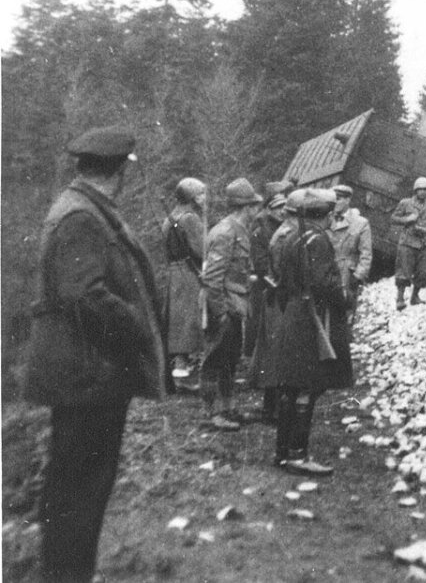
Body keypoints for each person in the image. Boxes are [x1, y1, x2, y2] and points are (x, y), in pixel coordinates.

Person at [23, 126, 165, 583]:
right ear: (119, 171)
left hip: (87, 373)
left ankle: (67, 572)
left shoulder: (83, 209)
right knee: (80, 488)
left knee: (77, 485)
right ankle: (67, 574)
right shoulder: (82, 217)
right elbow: (84, 295)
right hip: (88, 375)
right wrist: (137, 325)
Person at [268, 188, 352, 476]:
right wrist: (346, 299)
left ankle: (282, 453)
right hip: (312, 317)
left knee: (290, 387)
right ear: (326, 215)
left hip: (294, 313)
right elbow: (324, 283)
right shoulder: (319, 240)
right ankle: (298, 455)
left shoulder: (293, 237)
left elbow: (282, 280)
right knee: (307, 385)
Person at [198, 178, 261, 431]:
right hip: (222, 305)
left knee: (230, 360)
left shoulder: (239, 229)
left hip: (235, 304)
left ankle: (228, 408)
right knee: (214, 359)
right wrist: (220, 312)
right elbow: (212, 278)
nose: (257, 210)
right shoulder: (226, 232)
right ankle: (210, 413)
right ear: (246, 207)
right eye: (254, 206)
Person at [246, 191, 288, 422]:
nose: (282, 210)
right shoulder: (262, 229)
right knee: (268, 343)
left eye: (284, 206)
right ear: (269, 208)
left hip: (276, 289)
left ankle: (272, 401)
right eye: (277, 206)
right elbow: (261, 263)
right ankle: (269, 402)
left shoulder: (281, 227)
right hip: (267, 290)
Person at [161, 177, 207, 389]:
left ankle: (181, 371)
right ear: (192, 197)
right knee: (191, 323)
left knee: (179, 324)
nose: (204, 198)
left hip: (175, 273)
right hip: (190, 274)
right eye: (201, 194)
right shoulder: (190, 219)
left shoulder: (170, 218)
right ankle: (188, 375)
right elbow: (202, 250)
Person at [392, 176, 426, 309]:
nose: (423, 192)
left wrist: (425, 230)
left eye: (425, 190)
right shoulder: (406, 203)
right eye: (420, 189)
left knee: (423, 272)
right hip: (408, 241)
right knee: (403, 270)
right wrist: (407, 220)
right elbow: (394, 218)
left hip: (425, 242)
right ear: (415, 190)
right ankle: (400, 298)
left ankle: (415, 297)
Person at [329, 183, 373, 313]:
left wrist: (358, 276)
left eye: (338, 199)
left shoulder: (360, 223)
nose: (335, 203)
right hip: (327, 272)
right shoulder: (327, 218)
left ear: (348, 200)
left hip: (347, 274)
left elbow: (366, 253)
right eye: (333, 199)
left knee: (344, 310)